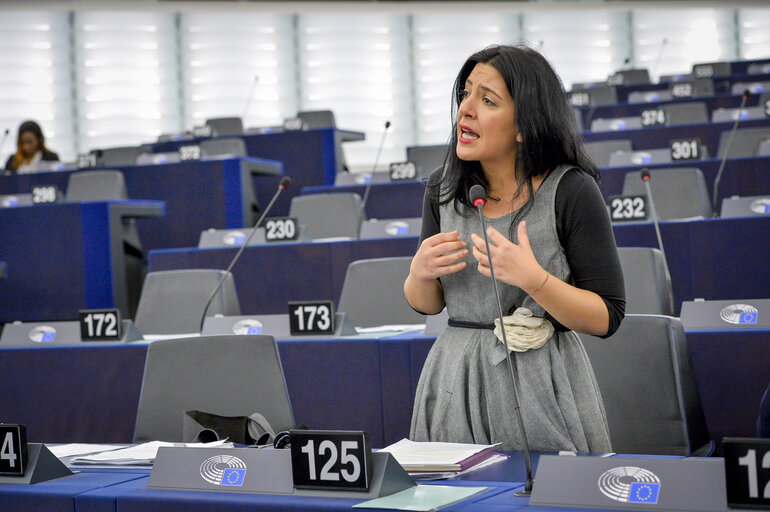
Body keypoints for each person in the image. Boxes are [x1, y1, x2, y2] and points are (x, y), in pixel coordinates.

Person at [404, 44, 626, 452]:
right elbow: (427, 304)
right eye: (465, 94)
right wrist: (419, 273)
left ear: (524, 124)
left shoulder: (572, 190)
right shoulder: (443, 187)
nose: (466, 109)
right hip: (454, 377)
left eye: (487, 100)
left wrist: (534, 279)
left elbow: (606, 316)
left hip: (541, 379)